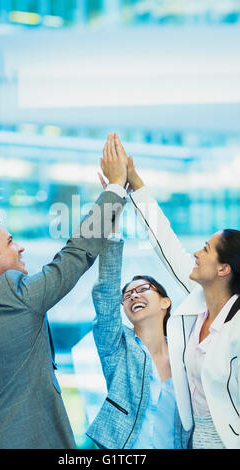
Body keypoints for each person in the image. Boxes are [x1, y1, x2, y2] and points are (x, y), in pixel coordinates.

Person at [0, 137, 127, 449]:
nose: (20, 246)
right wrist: (116, 188)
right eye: (10, 241)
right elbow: (75, 254)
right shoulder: (11, 294)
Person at [111, 133, 240, 449]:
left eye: (206, 249)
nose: (196, 253)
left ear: (224, 269)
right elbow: (165, 243)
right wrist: (135, 185)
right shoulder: (199, 303)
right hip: (197, 441)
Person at [86, 137, 191, 449]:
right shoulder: (116, 349)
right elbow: (105, 297)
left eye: (143, 288)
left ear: (165, 301)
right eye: (128, 295)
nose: (133, 296)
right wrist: (113, 226)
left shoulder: (188, 351)